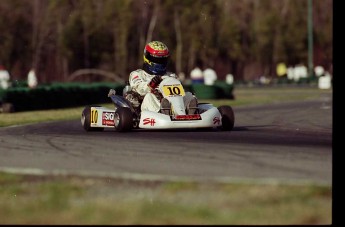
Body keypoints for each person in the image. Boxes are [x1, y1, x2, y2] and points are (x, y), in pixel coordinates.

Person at [127, 41, 197, 115]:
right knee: (149, 97)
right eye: (156, 60)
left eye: (162, 60)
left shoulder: (171, 76)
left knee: (189, 95)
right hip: (148, 106)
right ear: (147, 58)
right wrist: (150, 85)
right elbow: (139, 89)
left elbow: (179, 93)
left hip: (172, 104)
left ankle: (189, 112)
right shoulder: (137, 74)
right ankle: (162, 112)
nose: (159, 63)